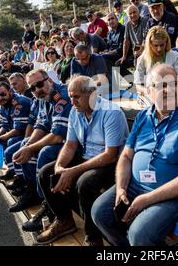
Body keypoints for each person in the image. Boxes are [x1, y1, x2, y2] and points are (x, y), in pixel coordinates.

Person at [92, 64, 178, 246]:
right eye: (161, 85)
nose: (168, 90)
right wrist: (121, 188)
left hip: (177, 196)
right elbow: (125, 156)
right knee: (100, 212)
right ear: (148, 91)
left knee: (140, 234)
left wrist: (147, 199)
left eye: (173, 84)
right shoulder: (144, 116)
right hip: (136, 186)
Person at [35, 76, 129, 245]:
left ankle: (93, 237)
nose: (72, 101)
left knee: (85, 183)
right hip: (87, 156)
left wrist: (74, 171)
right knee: (46, 173)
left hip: (111, 163)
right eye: (70, 96)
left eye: (76, 96)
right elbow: (70, 145)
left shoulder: (111, 112)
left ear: (92, 94)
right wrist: (60, 166)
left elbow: (110, 154)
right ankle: (64, 221)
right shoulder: (75, 112)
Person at [10, 69, 72, 213]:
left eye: (39, 84)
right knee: (24, 143)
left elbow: (58, 135)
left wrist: (31, 148)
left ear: (49, 80)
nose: (37, 90)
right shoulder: (43, 98)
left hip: (74, 144)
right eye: (32, 88)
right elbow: (41, 126)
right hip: (61, 140)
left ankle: (48, 204)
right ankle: (33, 192)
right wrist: (29, 144)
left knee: (45, 152)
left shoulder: (62, 96)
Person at [0, 81, 31, 178]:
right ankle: (13, 170)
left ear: (10, 91)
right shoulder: (3, 105)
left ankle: (22, 178)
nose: (0, 98)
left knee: (10, 144)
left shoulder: (20, 102)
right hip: (18, 133)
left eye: (2, 94)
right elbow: (5, 126)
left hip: (29, 134)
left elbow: (19, 129)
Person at [135, 26, 178, 96]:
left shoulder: (175, 56)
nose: (159, 49)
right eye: (156, 45)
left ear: (166, 43)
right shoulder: (142, 59)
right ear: (150, 44)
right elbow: (138, 85)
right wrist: (148, 91)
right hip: (150, 95)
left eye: (162, 45)